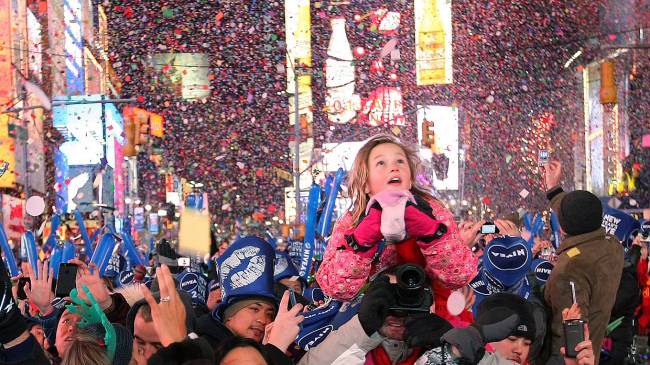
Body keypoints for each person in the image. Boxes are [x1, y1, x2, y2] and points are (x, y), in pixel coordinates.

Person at [316, 134, 480, 302]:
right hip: (369, 316)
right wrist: (359, 243)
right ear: (365, 184)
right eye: (381, 163)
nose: (394, 167)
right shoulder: (351, 222)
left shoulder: (434, 213)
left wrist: (432, 234)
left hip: (423, 314)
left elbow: (460, 276)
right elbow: (334, 288)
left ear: (410, 180)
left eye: (400, 161)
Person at [147, 237, 302, 365]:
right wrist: (275, 350)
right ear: (229, 314)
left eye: (270, 314)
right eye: (254, 309)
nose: (263, 319)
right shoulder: (199, 346)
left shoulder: (262, 349)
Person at [543, 161, 624, 364]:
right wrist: (553, 189)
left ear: (561, 228)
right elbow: (578, 213)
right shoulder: (612, 246)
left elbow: (570, 335)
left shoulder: (570, 269)